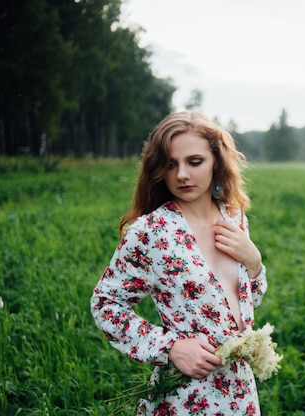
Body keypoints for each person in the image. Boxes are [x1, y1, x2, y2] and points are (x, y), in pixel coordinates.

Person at [90, 111, 268, 415]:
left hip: (239, 393)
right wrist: (170, 347)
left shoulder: (234, 217)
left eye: (194, 162)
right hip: (187, 395)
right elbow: (106, 304)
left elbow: (245, 302)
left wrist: (255, 263)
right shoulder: (151, 232)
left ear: (216, 162)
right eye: (171, 164)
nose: (182, 174)